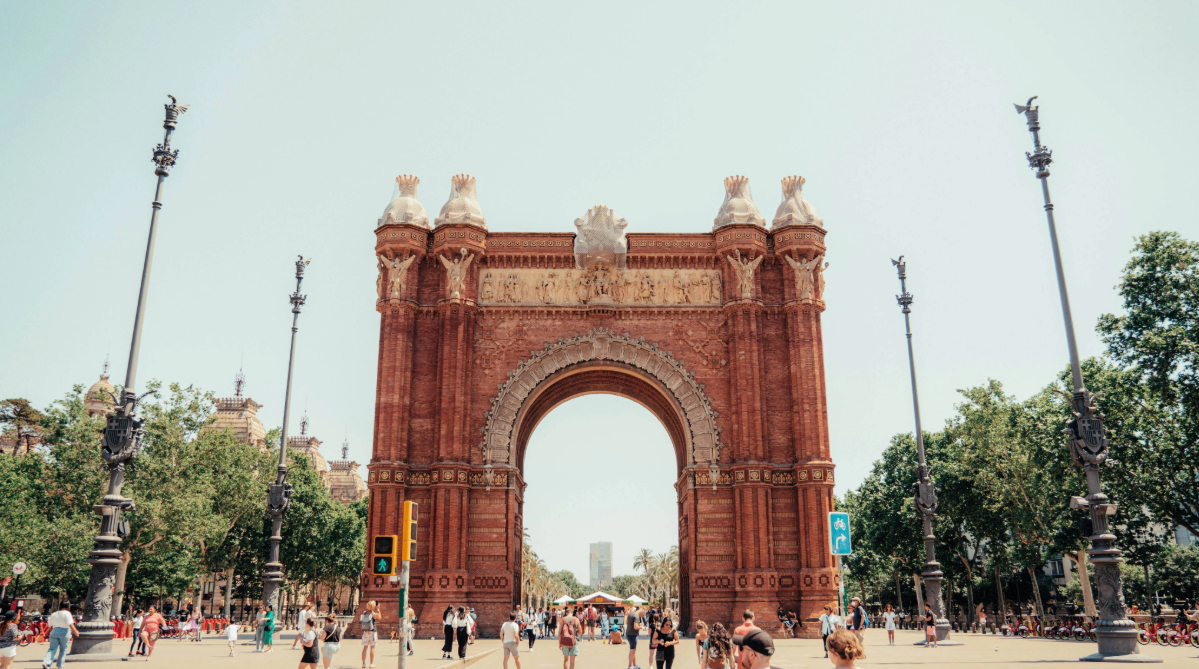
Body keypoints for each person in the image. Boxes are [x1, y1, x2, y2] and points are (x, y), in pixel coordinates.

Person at [360, 600, 381, 668]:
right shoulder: (374, 614)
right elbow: (380, 617)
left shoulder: (364, 613)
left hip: (365, 632)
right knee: (372, 647)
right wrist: (378, 610)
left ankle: (363, 663)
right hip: (372, 632)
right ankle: (371, 664)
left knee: (365, 647)